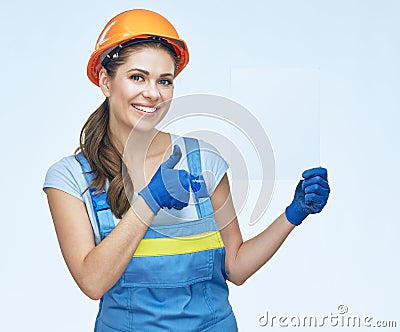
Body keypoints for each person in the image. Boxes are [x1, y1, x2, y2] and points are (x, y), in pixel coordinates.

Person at [43, 9, 330, 332]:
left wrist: (293, 214)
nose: (153, 93)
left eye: (164, 81)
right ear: (106, 81)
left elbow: (235, 267)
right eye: (138, 77)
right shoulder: (69, 178)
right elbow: (93, 282)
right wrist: (149, 201)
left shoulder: (203, 159)